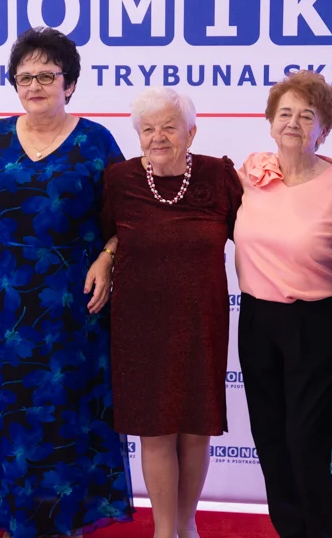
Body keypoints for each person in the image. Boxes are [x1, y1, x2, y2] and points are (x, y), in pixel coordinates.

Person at [0, 27, 134, 538]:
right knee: (6, 409)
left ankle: (67, 518)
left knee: (65, 408)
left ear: (69, 83)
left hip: (72, 300)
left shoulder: (96, 141)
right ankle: (14, 516)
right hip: (4, 300)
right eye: (25, 77)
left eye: (47, 76)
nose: (34, 85)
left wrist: (108, 258)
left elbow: (128, 217)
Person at [101, 87, 242, 538]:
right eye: (147, 129)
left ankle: (187, 524)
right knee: (156, 431)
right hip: (140, 324)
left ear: (191, 132)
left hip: (202, 322)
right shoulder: (119, 180)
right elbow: (103, 235)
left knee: (197, 430)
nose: (157, 137)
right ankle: (164, 531)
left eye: (169, 127)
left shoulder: (219, 176)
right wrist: (106, 256)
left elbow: (257, 231)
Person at [233, 70, 332, 538]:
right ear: (270, 122)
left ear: (323, 129)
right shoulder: (252, 175)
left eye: (306, 116)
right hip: (256, 320)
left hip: (316, 323)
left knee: (307, 444)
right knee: (270, 440)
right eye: (284, 113)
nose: (293, 123)